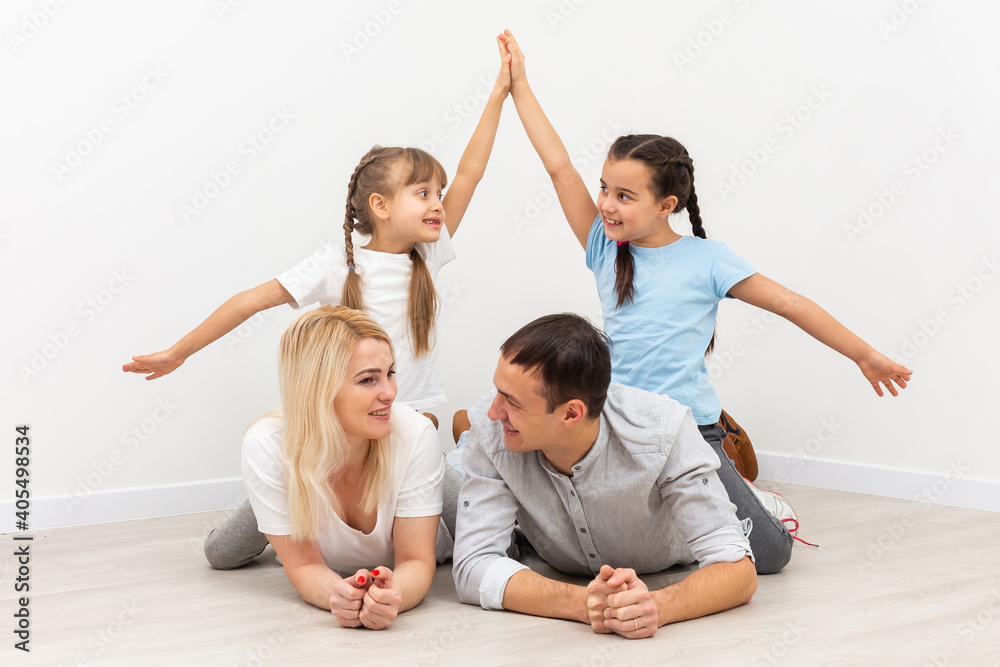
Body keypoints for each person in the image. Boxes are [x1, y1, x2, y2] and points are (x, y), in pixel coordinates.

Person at [495, 31, 913, 568]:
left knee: (767, 556)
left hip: (689, 427)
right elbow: (558, 168)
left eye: (624, 195)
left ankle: (758, 503)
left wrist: (863, 354)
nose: (606, 204)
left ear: (667, 204)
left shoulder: (708, 260)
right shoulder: (604, 246)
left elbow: (790, 303)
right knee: (577, 543)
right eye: (604, 188)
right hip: (615, 423)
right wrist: (520, 87)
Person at [125, 38, 510, 567]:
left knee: (476, 533)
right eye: (422, 193)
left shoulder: (430, 255)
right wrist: (178, 352)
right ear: (379, 206)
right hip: (331, 446)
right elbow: (250, 301)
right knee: (223, 554)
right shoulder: (337, 267)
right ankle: (284, 506)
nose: (438, 203)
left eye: (438, 194)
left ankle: (463, 450)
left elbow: (471, 173)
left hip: (401, 441)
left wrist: (498, 94)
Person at [452, 313, 758, 638]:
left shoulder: (664, 429)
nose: (493, 411)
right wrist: (584, 603)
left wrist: (656, 606)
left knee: (771, 551)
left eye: (512, 402)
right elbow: (472, 565)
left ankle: (751, 486)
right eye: (498, 391)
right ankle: (460, 450)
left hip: (672, 552)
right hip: (560, 555)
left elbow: (739, 571)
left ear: (571, 413)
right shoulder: (489, 431)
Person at [238, 306, 449, 629]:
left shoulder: (416, 434)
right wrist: (338, 594)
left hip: (416, 459)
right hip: (302, 462)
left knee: (487, 526)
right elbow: (305, 565)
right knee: (220, 554)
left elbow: (416, 560)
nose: (390, 393)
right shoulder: (265, 445)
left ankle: (460, 445)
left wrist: (394, 597)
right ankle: (265, 500)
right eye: (368, 380)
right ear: (319, 389)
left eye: (390, 373)